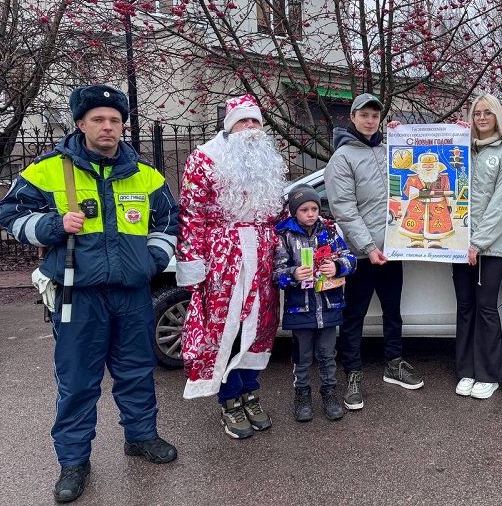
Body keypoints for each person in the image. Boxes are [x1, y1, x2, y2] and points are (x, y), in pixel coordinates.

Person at [0, 85, 179, 503]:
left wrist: (151, 261)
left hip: (131, 294)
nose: (108, 127)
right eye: (98, 119)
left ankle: (140, 437)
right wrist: (53, 225)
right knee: (78, 382)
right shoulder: (48, 170)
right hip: (77, 295)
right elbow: (10, 215)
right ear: (81, 123)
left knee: (136, 373)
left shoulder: (146, 174)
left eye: (115, 120)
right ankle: (74, 461)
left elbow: (168, 222)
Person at [175, 94, 286, 439]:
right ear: (229, 124)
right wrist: (194, 264)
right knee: (227, 330)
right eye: (243, 121)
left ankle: (249, 391)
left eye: (255, 121)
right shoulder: (205, 159)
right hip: (223, 259)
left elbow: (280, 213)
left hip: (264, 256)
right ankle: (229, 399)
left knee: (262, 328)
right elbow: (192, 216)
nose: (250, 128)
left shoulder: (269, 161)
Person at [324, 93, 424, 411]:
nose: (370, 120)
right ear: (351, 117)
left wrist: (403, 136)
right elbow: (344, 209)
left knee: (393, 311)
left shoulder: (389, 150)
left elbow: (428, 162)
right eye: (363, 114)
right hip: (361, 254)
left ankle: (393, 364)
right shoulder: (342, 158)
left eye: (374, 115)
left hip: (393, 250)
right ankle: (353, 374)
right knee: (354, 316)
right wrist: (368, 247)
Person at [453, 93, 502, 400]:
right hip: (457, 245)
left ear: (497, 118)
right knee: (465, 308)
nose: (481, 118)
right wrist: (397, 133)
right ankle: (466, 370)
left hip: (489, 248)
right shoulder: (460, 151)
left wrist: (477, 243)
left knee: (486, 308)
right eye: (477, 113)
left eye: (487, 113)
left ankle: (488, 373)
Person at [273, 185, 357, 422]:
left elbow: (350, 259)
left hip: (329, 307)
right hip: (301, 310)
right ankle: (302, 396)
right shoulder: (285, 236)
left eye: (314, 208)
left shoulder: (329, 232)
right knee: (302, 357)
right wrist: (293, 274)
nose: (310, 213)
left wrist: (338, 266)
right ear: (293, 212)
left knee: (328, 355)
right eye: (304, 209)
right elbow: (276, 272)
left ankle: (330, 395)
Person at [399, 152, 455, 248]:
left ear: (436, 166)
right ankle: (416, 240)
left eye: (431, 165)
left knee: (437, 224)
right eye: (425, 165)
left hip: (437, 206)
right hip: (418, 205)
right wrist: (420, 193)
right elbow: (407, 192)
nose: (428, 167)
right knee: (415, 225)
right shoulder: (413, 179)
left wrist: (448, 205)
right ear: (420, 166)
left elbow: (447, 192)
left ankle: (434, 240)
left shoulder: (443, 178)